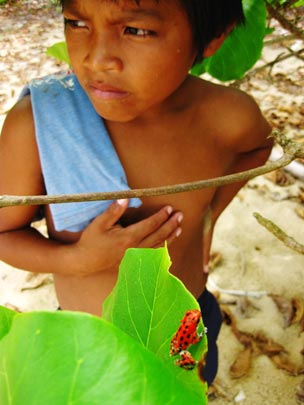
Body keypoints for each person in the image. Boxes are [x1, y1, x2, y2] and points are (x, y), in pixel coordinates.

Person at [0, 0, 272, 385]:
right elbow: (3, 233)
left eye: (136, 30)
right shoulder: (38, 127)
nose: (97, 59)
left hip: (185, 325)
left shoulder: (226, 118)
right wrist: (79, 260)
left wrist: (209, 215)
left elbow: (259, 148)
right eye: (77, 22)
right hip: (88, 344)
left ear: (214, 37)